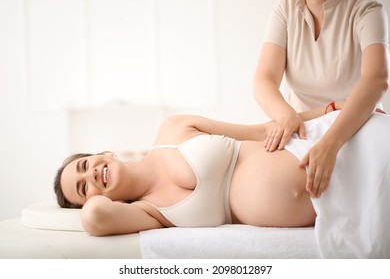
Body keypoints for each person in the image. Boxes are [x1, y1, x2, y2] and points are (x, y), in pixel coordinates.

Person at [54, 101, 383, 237]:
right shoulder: (148, 213)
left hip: (330, 145)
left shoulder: (172, 128)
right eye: (83, 187)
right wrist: (88, 200)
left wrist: (331, 109)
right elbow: (95, 217)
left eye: (85, 165)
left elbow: (262, 129)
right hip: (335, 203)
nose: (91, 174)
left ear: (103, 153)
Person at [253, 0, 389, 198]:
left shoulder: (367, 9)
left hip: (353, 131)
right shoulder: (286, 8)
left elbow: (376, 79)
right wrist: (286, 115)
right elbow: (263, 80)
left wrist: (330, 145)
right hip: (302, 128)